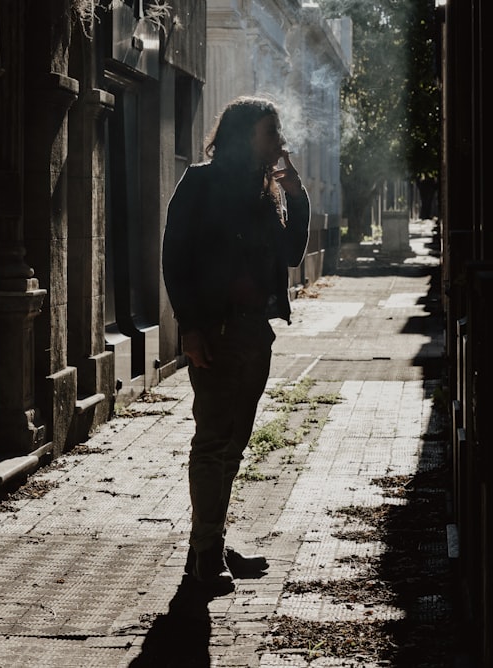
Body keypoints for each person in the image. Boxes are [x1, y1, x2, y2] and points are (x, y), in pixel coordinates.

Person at [161, 96, 310, 592]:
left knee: (233, 446)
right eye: (271, 132)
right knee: (212, 443)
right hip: (216, 332)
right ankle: (207, 554)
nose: (280, 143)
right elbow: (174, 258)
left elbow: (291, 255)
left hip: (254, 333)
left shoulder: (265, 190)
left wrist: (297, 195)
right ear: (245, 133)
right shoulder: (200, 183)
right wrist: (190, 326)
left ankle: (208, 546)